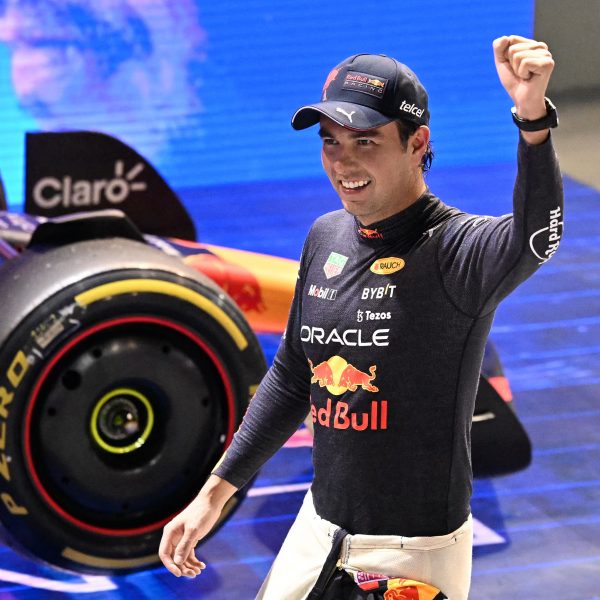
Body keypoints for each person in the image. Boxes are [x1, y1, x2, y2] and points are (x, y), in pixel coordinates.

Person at [159, 35, 563, 599]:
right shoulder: (325, 235)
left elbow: (536, 238)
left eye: (365, 141)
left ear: (418, 143)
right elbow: (294, 375)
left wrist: (533, 121)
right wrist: (214, 493)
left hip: (411, 555)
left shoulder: (458, 250)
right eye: (330, 140)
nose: (342, 161)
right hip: (317, 529)